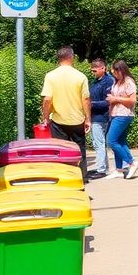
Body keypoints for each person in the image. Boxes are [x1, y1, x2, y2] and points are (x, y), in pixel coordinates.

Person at [41, 46, 91, 179]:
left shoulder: (50, 76)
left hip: (58, 120)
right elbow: (85, 99)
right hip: (77, 120)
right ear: (71, 57)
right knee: (79, 150)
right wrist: (88, 119)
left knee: (59, 150)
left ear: (59, 59)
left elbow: (47, 99)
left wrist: (45, 117)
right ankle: (81, 177)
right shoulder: (81, 76)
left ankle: (62, 177)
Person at [104, 59, 138, 179]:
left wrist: (115, 99)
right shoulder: (118, 82)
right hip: (116, 114)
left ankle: (131, 162)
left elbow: (132, 100)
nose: (113, 74)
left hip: (124, 114)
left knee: (111, 141)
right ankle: (119, 169)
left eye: (115, 71)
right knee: (120, 141)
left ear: (120, 70)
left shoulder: (128, 82)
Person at [87, 59, 115, 180]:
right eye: (92, 70)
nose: (93, 73)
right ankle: (103, 167)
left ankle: (101, 169)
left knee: (99, 143)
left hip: (101, 116)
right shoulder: (96, 81)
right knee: (98, 143)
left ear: (103, 68)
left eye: (95, 70)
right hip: (95, 116)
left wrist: (91, 104)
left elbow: (108, 101)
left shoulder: (108, 81)